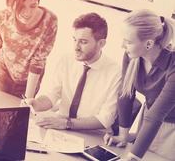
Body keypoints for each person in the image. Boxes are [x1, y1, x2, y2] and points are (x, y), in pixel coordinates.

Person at [25, 12, 122, 131]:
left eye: (83, 42)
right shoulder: (66, 60)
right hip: (60, 129)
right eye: (74, 40)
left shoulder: (116, 72)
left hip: (92, 134)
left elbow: (105, 119)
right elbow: (53, 94)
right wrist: (37, 104)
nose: (76, 47)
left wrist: (67, 123)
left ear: (101, 44)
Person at [104, 9, 175, 161]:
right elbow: (125, 94)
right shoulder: (132, 56)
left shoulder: (173, 64)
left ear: (149, 44)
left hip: (171, 128)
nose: (123, 45)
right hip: (150, 119)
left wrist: (133, 157)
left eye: (128, 41)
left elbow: (157, 115)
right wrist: (123, 134)